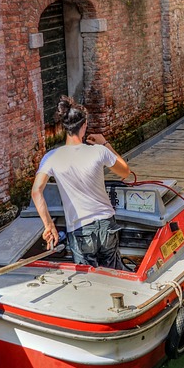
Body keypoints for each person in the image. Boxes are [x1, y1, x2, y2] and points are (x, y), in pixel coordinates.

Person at [30, 96, 131, 269]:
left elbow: (36, 192)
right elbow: (125, 172)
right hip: (106, 224)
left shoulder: (51, 158)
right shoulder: (99, 151)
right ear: (83, 126)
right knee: (114, 276)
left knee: (88, 281)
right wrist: (105, 143)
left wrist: (49, 225)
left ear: (64, 127)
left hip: (80, 229)